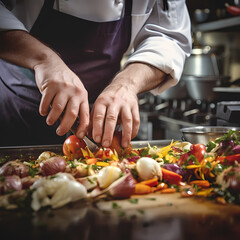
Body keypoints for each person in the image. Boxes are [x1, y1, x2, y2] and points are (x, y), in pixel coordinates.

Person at [0, 0, 191, 147]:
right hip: (16, 110)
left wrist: (127, 84)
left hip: (97, 114)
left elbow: (168, 35)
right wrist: (43, 59)